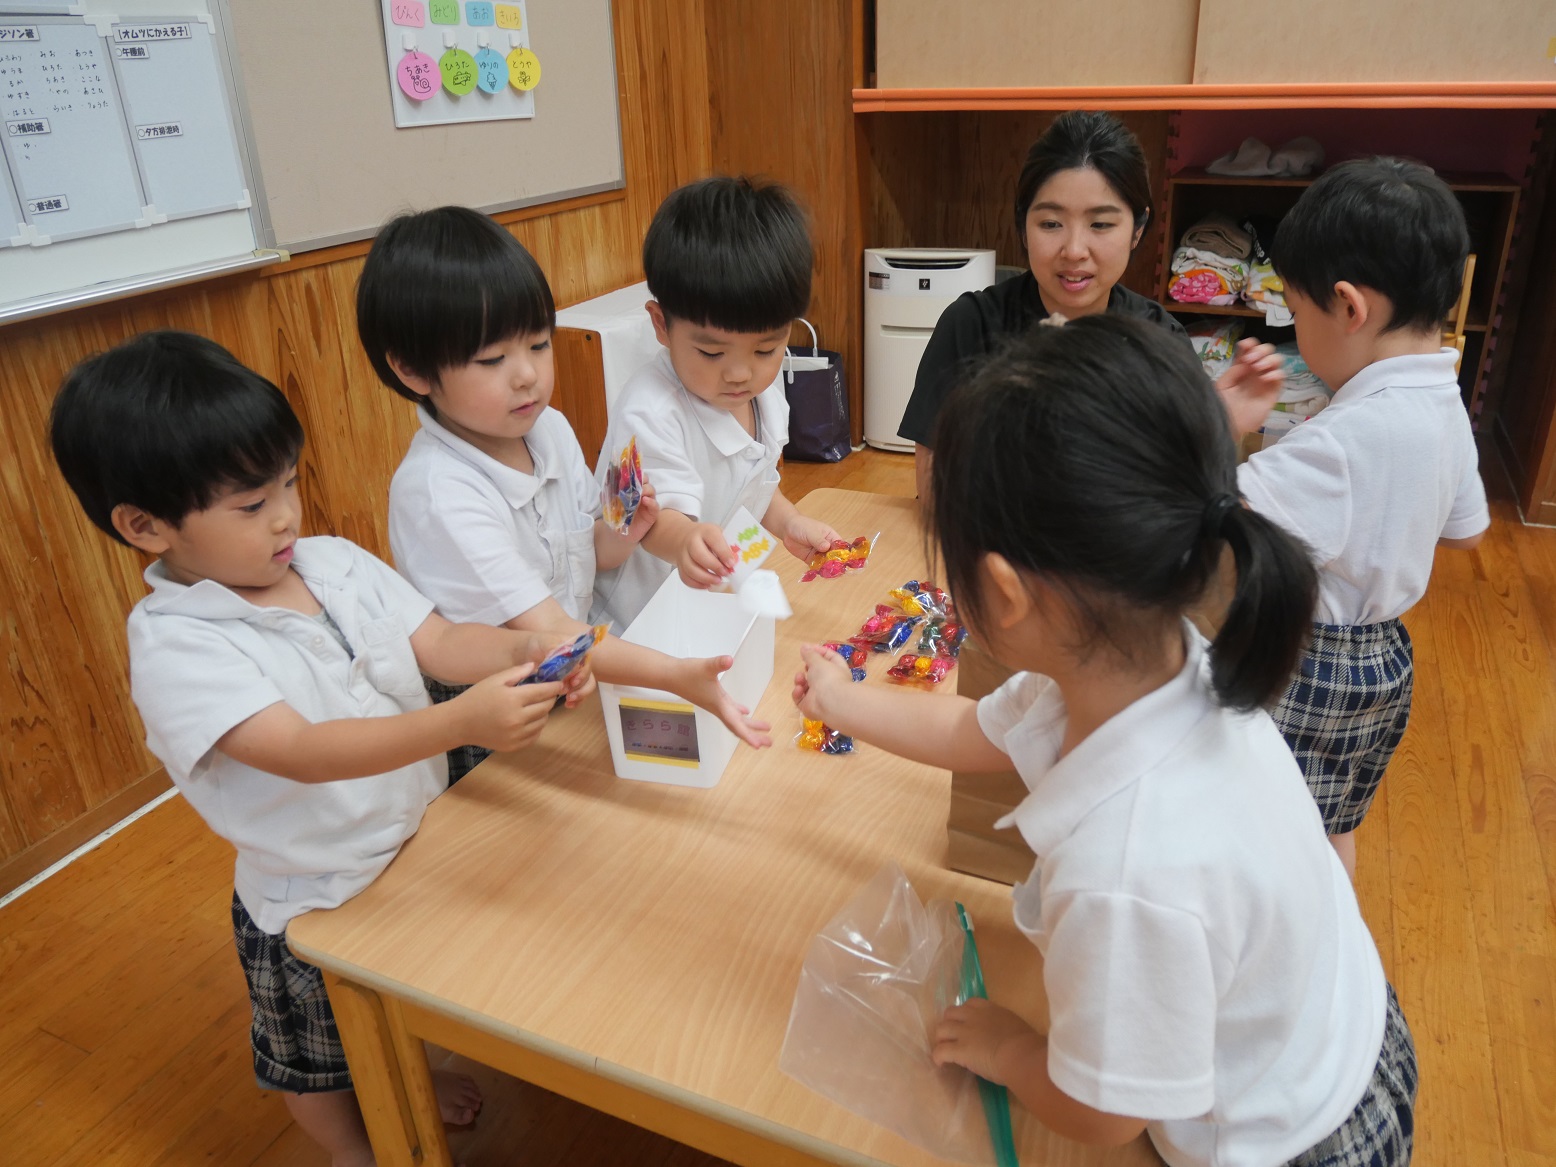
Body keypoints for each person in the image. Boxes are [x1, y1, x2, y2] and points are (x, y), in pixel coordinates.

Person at [795, 316, 1415, 1167]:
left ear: (1004, 591)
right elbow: (967, 729)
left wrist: (1013, 1049)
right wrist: (841, 699)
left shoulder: (1125, 869)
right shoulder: (1147, 665)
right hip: (1337, 1030)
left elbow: (1106, 1111)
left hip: (1297, 1139)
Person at [48, 332, 587, 1167]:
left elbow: (441, 642)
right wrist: (458, 724)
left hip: (415, 840)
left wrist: (521, 650)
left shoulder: (330, 562)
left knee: (405, 1001)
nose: (286, 516)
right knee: (317, 1059)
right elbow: (301, 749)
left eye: (289, 483)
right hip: (316, 895)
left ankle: (411, 1072)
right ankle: (349, 1144)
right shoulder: (177, 644)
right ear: (144, 526)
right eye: (250, 504)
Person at [357, 206, 772, 784]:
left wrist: (624, 530)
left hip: (571, 669)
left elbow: (589, 553)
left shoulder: (546, 427)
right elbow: (547, 629)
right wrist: (672, 674)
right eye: (492, 359)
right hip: (494, 714)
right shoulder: (439, 493)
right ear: (413, 371)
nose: (527, 375)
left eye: (538, 344)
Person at [1221, 157, 1490, 879]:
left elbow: (1216, 509)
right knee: (1330, 817)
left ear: (1347, 307)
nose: (1294, 330)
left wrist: (1221, 424)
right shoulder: (1444, 401)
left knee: (1261, 822)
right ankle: (1340, 928)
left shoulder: (1345, 439)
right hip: (1387, 660)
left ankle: (1283, 937)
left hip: (1307, 658)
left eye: (1295, 311)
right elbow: (1467, 530)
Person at [897, 110, 1283, 499]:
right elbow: (934, 492)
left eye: (1101, 224)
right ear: (1023, 226)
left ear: (1137, 230)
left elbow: (1177, 499)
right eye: (1051, 224)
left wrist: (1219, 428)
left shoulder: (1159, 340)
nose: (1074, 250)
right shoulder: (972, 325)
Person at [591, 176, 841, 631]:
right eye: (711, 352)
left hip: (698, 609)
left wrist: (790, 522)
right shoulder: (649, 412)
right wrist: (687, 539)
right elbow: (654, 519)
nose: (740, 373)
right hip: (633, 623)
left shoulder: (760, 392)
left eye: (766, 348)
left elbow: (755, 486)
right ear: (661, 325)